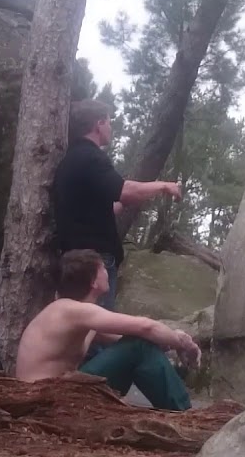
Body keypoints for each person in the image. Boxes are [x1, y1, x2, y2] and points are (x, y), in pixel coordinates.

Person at [16, 249, 200, 411]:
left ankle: (178, 410)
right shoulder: (70, 310)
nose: (108, 271)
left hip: (53, 396)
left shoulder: (75, 316)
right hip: (44, 401)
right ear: (94, 282)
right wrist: (182, 343)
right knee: (139, 345)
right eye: (103, 268)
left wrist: (169, 342)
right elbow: (145, 327)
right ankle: (185, 414)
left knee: (139, 343)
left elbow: (129, 338)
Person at [53, 100, 182, 311]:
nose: (111, 128)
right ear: (99, 124)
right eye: (109, 122)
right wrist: (164, 186)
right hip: (93, 261)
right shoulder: (91, 157)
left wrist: (137, 198)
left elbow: (108, 206)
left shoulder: (71, 160)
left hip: (74, 260)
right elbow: (125, 191)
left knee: (82, 328)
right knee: (97, 329)